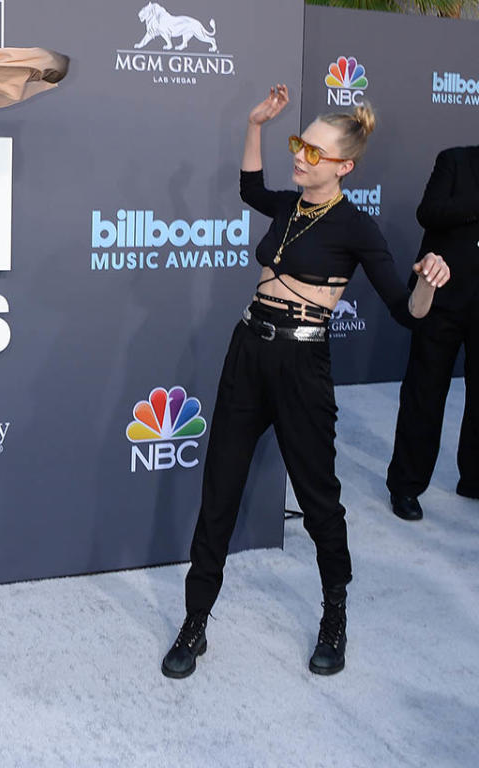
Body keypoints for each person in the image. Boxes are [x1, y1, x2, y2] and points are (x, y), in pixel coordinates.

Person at [161, 85, 450, 680]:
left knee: (319, 501)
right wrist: (253, 126)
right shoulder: (291, 206)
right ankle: (195, 621)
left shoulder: (356, 227)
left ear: (345, 165)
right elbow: (248, 188)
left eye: (314, 152)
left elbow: (407, 311)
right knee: (219, 491)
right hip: (247, 351)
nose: (301, 157)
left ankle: (335, 617)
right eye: (299, 144)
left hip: (301, 366)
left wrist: (429, 281)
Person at [387, 145, 479, 520]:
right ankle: (406, 486)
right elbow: (428, 212)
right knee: (424, 394)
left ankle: (473, 477)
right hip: (440, 299)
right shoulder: (454, 160)